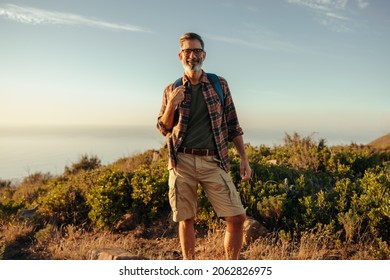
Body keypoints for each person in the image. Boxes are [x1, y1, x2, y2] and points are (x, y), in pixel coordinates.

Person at [156, 32, 251, 260]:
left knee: (237, 218)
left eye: (197, 51)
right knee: (186, 219)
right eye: (188, 51)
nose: (192, 55)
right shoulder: (172, 89)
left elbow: (233, 124)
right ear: (180, 55)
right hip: (182, 162)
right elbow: (163, 127)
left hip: (213, 161)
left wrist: (244, 159)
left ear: (204, 55)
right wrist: (171, 105)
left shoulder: (219, 85)